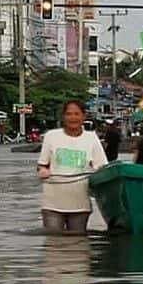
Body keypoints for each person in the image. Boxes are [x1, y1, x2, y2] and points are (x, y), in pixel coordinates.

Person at [36, 100, 108, 233]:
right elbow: (42, 165)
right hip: (53, 201)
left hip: (80, 203)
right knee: (53, 242)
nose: (73, 118)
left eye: (76, 114)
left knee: (78, 244)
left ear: (83, 116)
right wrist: (43, 170)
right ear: (63, 117)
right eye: (69, 114)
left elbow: (102, 168)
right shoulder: (51, 136)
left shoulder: (91, 138)